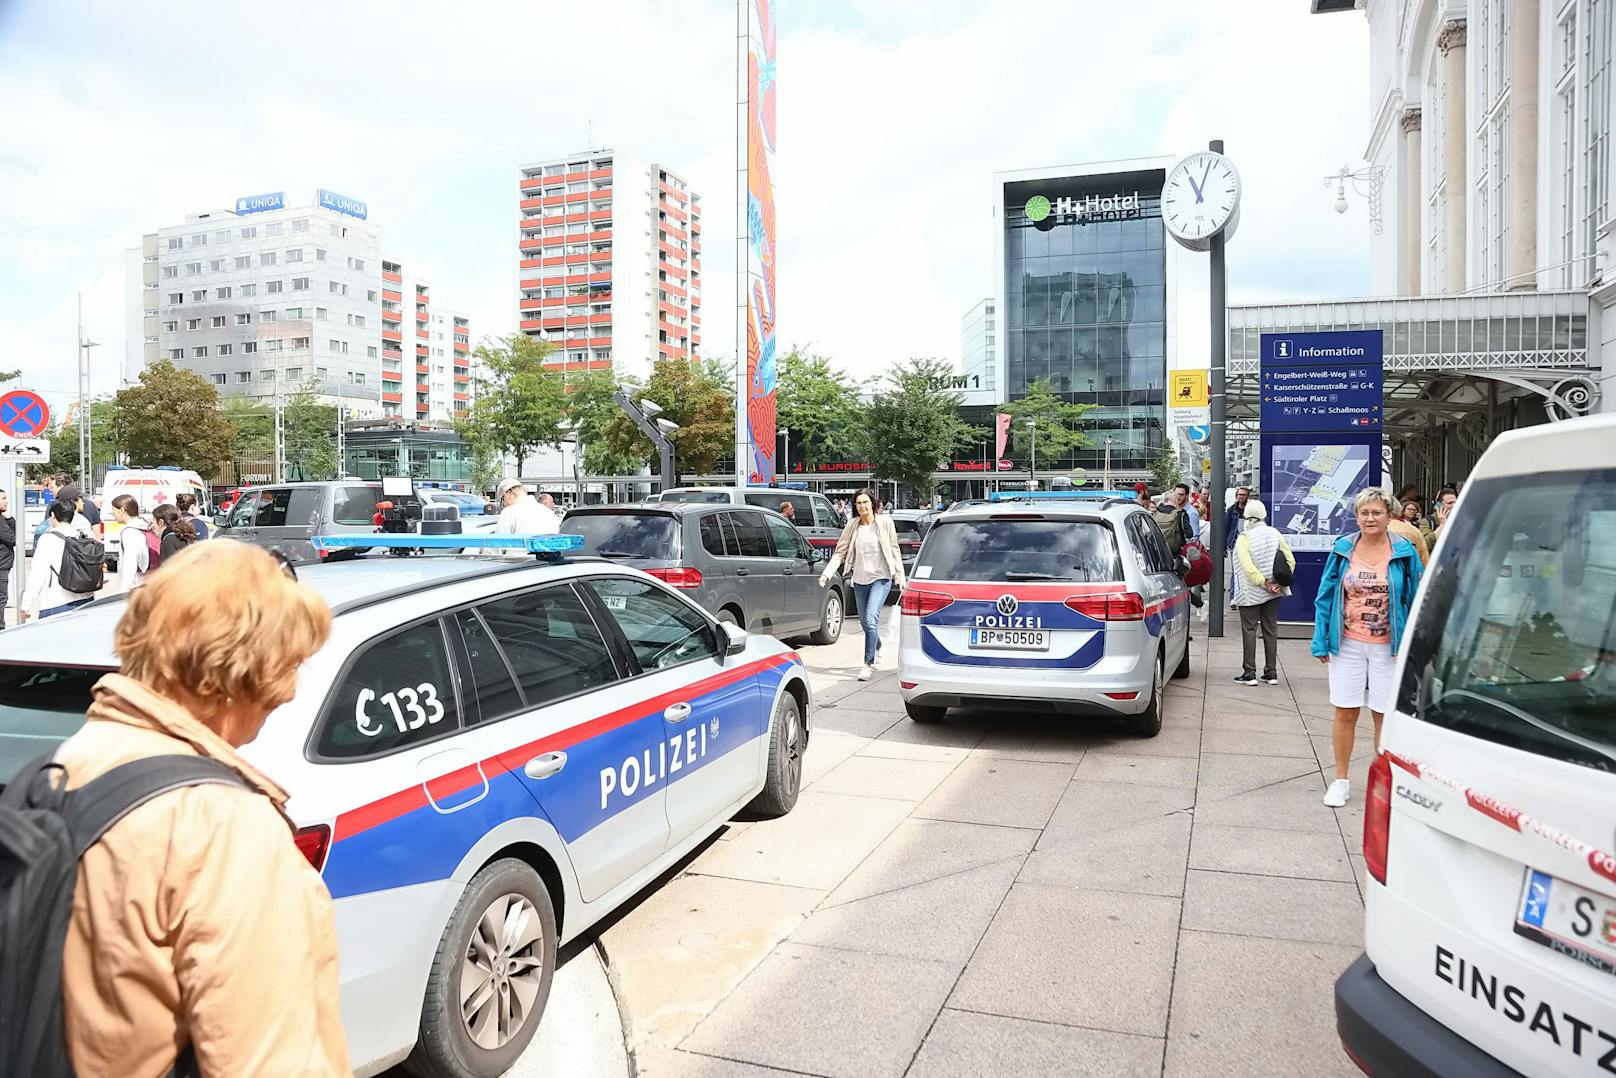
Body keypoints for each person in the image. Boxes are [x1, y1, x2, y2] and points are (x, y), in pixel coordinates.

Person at [48, 540, 349, 1075]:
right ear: (249, 669)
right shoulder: (223, 824)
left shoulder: (73, 760)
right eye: (292, 662)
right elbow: (267, 1060)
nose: (294, 687)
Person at [1312, 488, 1423, 808]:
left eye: (1376, 512)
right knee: (1345, 712)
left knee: (1384, 716)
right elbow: (1326, 597)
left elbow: (1415, 598)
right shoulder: (1343, 549)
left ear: (1390, 515)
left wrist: (1415, 643)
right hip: (1347, 644)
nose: (1370, 518)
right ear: (1357, 516)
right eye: (1364, 513)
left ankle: (1384, 780)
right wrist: (1321, 640)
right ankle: (1341, 780)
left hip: (1389, 647)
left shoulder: (1404, 551)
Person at [819, 488, 905, 682]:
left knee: (870, 618)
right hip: (859, 580)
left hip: (881, 579)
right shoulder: (852, 525)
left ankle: (867, 663)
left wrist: (900, 577)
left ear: (872, 504)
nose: (862, 506)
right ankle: (879, 645)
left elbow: (894, 550)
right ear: (855, 506)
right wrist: (827, 573)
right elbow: (840, 552)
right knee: (865, 623)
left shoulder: (885, 523)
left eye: (865, 502)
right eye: (859, 503)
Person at [1231, 499, 1293, 686]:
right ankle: (1271, 672)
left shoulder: (1244, 538)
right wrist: (1276, 584)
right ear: (1264, 515)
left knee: (1249, 630)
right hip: (1273, 591)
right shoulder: (1275, 533)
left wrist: (1264, 583)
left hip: (1251, 592)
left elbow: (1247, 568)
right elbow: (1290, 560)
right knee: (1270, 629)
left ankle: (1249, 673)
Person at [20, 499, 97, 620]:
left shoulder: (48, 539)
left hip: (56, 602)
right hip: (86, 599)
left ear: (52, 515)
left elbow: (38, 573)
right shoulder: (82, 535)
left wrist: (27, 603)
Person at [109, 495, 155, 591]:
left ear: (121, 510)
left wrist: (124, 590)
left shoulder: (130, 532)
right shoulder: (141, 526)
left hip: (134, 587)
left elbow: (130, 563)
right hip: (143, 582)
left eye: (113, 510)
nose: (112, 513)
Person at [493, 478, 558, 538]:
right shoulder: (550, 514)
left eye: (502, 501)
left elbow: (497, 546)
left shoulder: (509, 512)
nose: (504, 505)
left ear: (505, 495)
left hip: (517, 551)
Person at [1389, 497, 1430, 567]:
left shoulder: (1373, 530)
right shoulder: (1415, 531)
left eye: (1414, 510)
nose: (1412, 511)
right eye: (1409, 509)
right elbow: (1424, 561)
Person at [0, 489, 13, 623]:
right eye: (3, 498)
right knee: (1, 598)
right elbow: (14, 539)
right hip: (1, 566)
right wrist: (10, 519)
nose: (6, 501)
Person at [1223, 486, 1250, 551]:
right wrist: (1224, 546)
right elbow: (1226, 527)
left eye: (1243, 495)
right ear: (1236, 496)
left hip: (1248, 542)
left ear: (1247, 496)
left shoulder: (1251, 509)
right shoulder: (1231, 510)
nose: (1241, 497)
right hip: (1234, 543)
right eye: (1239, 495)